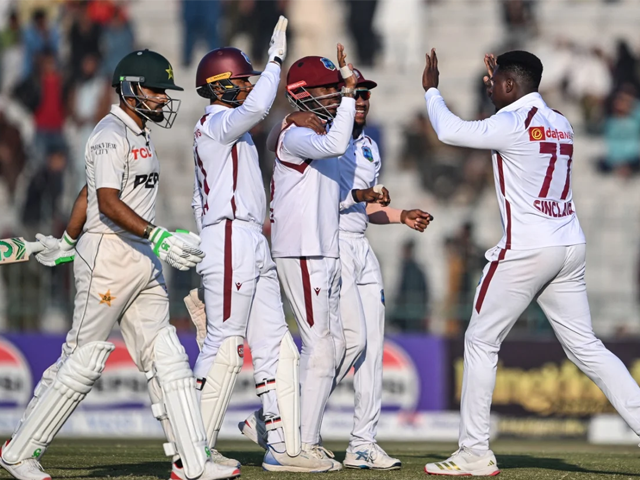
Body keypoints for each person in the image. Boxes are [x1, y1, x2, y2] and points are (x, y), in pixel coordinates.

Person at [0, 49, 239, 480]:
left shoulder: (138, 131)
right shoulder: (110, 134)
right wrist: (156, 234)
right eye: (155, 90)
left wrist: (67, 239)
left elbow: (88, 192)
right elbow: (106, 203)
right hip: (109, 257)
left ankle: (192, 461)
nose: (163, 99)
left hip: (140, 259)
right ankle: (19, 453)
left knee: (165, 354)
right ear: (130, 89)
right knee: (82, 360)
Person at [421, 48, 640, 476]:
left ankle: (473, 453)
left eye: (497, 81)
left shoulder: (511, 122)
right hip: (568, 245)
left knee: (481, 342)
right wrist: (500, 93)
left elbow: (448, 131)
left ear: (508, 85)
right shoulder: (560, 121)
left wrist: (432, 91)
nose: (492, 85)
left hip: (527, 248)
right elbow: (516, 122)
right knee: (587, 348)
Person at [187, 17, 334, 473]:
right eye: (242, 79)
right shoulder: (217, 123)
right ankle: (192, 447)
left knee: (278, 348)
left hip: (247, 237)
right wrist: (274, 61)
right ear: (221, 85)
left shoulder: (233, 129)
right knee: (226, 346)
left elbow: (197, 194)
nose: (249, 86)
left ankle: (284, 447)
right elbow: (255, 109)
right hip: (230, 234)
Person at [266, 45, 386, 469]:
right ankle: (292, 446)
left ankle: (292, 435)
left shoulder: (312, 130)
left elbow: (335, 191)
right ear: (301, 94)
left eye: (337, 89)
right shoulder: (299, 133)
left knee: (343, 344)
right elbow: (332, 143)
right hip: (302, 249)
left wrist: (367, 197)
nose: (336, 95)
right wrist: (351, 93)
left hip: (324, 249)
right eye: (327, 90)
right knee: (320, 348)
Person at [332, 69, 431, 469]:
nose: (361, 102)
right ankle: (280, 414)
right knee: (348, 343)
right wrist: (362, 195)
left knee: (373, 347)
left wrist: (401, 214)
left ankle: (362, 442)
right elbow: (320, 200)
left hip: (360, 245)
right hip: (331, 244)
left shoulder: (371, 147)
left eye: (365, 97)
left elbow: (367, 208)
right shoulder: (325, 141)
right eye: (354, 96)